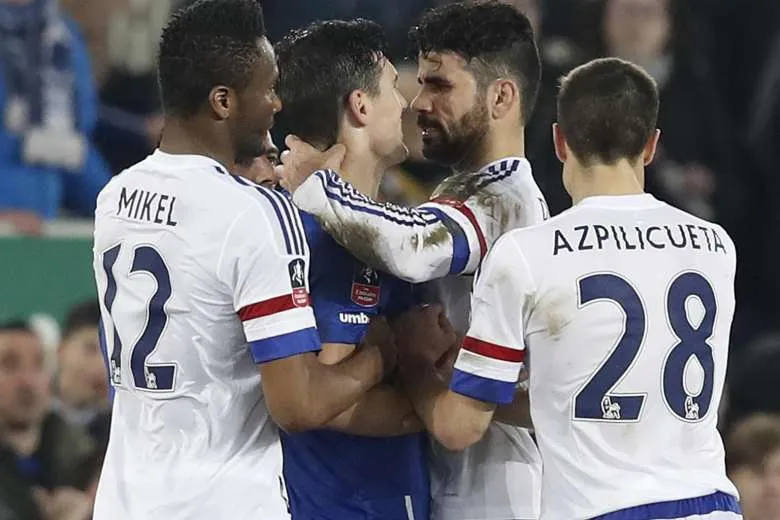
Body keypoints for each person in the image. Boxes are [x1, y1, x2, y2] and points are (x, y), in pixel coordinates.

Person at [393, 57, 742, 519]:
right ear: (651, 146)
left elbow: (459, 427)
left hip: (603, 510)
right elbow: (589, 402)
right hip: (713, 506)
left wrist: (417, 365)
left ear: (560, 141)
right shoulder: (715, 246)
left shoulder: (527, 254)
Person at [91, 1, 396, 519]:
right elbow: (298, 405)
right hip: (221, 504)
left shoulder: (114, 197)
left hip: (125, 503)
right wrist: (381, 357)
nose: (277, 103)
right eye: (268, 88)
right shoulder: (253, 213)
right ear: (223, 101)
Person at [279, 2, 546, 519]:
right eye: (419, 83)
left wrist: (317, 185)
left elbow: (414, 248)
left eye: (439, 85)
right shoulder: (458, 195)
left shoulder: (504, 200)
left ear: (501, 97)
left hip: (491, 493)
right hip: (442, 482)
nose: (417, 103)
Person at [271, 19, 449, 520]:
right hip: (348, 504)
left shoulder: (378, 231)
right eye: (393, 86)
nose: (408, 103)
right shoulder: (326, 240)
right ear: (360, 106)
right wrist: (432, 400)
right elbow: (324, 399)